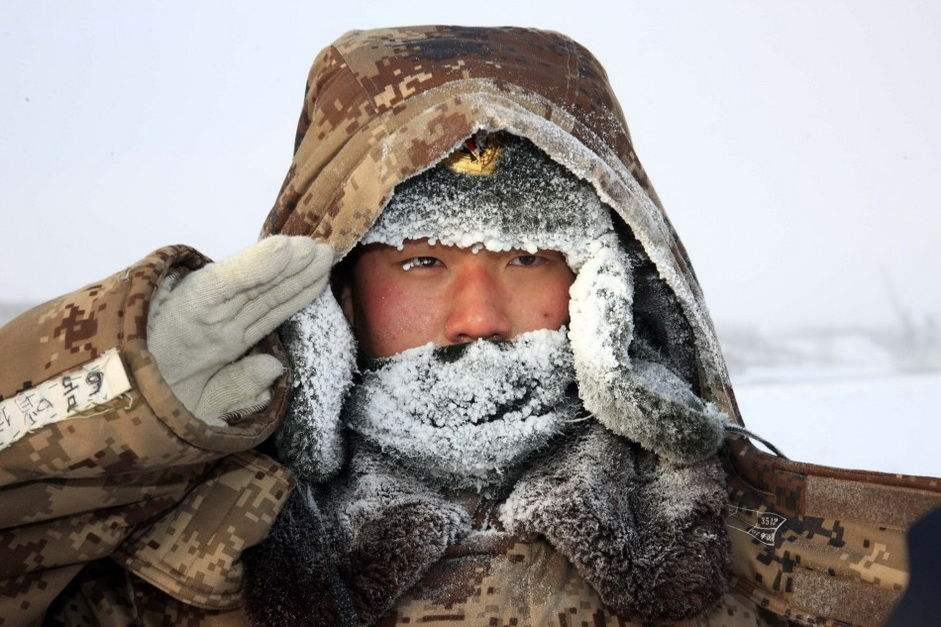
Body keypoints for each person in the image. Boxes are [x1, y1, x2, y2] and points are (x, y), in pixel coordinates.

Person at [0, 25, 936, 627]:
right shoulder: (164, 571)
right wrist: (118, 396)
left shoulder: (809, 568)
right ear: (335, 304)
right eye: (422, 261)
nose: (476, 317)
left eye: (529, 258)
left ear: (608, 293)